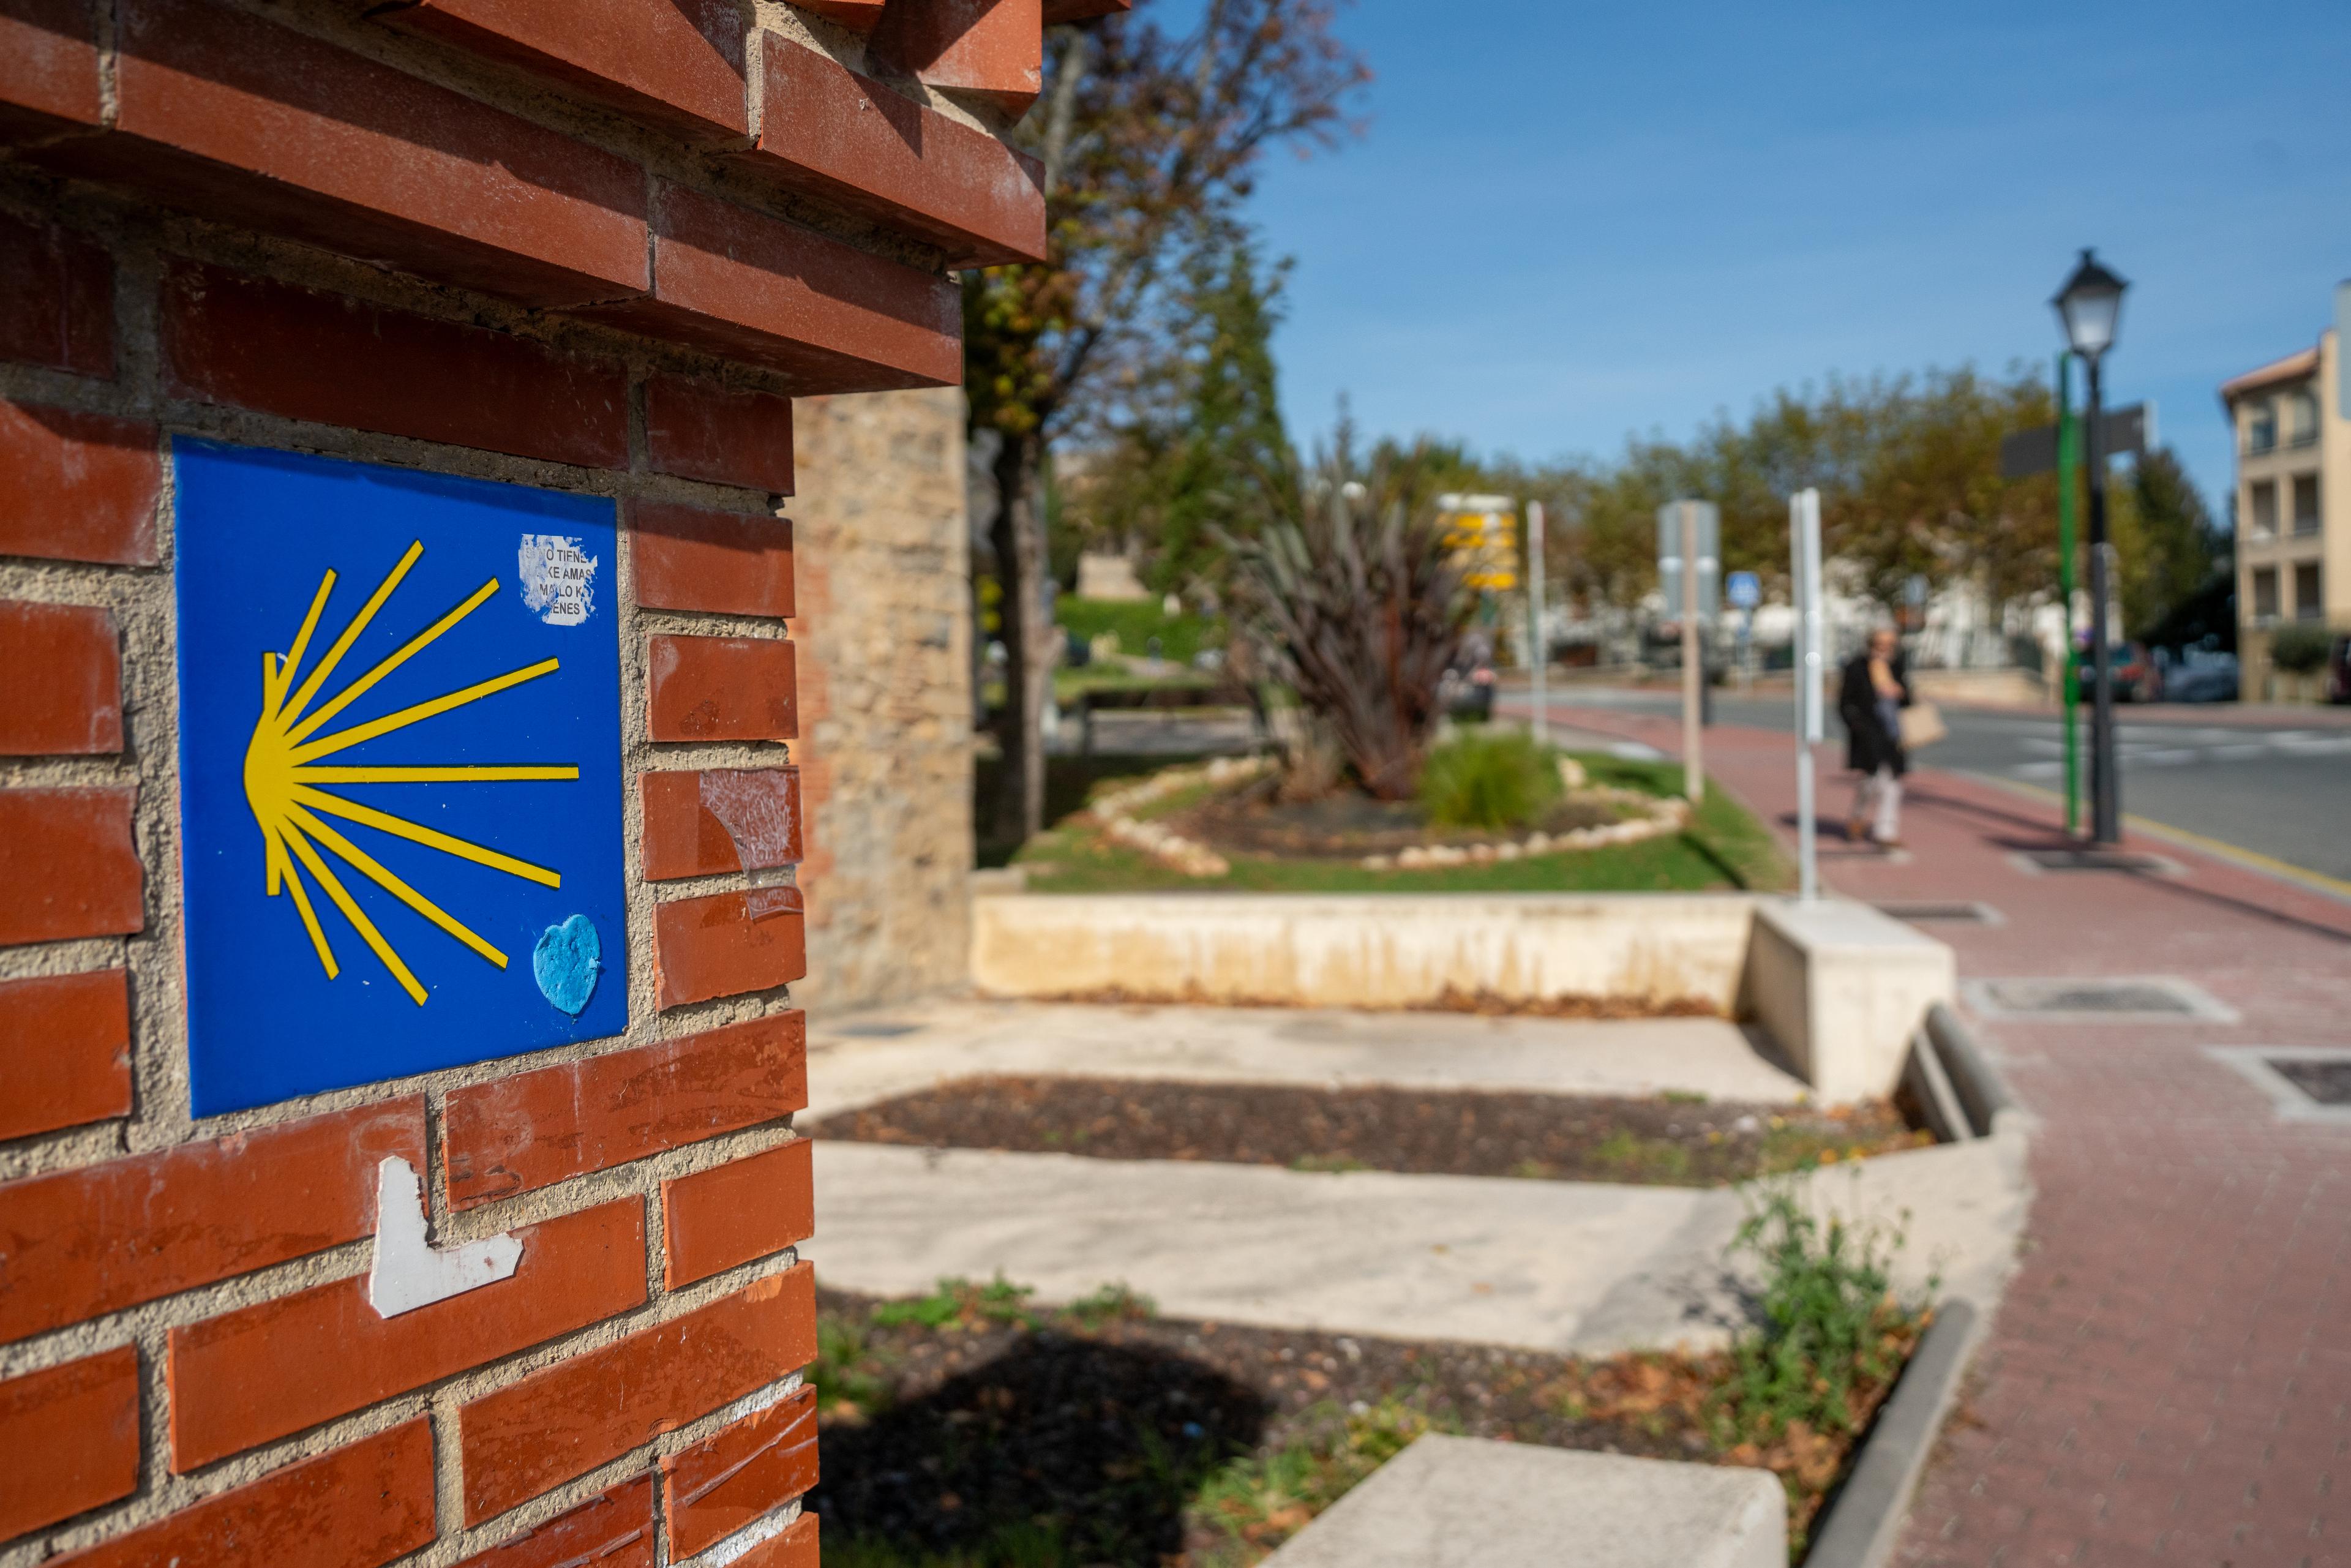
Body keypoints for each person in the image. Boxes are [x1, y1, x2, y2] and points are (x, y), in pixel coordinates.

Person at [1837, 627, 1911, 847]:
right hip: (1869, 733)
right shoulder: (1856, 667)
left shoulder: (1896, 667)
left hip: (1894, 733)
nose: (1885, 650)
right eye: (1881, 645)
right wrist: (1857, 726)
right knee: (1870, 781)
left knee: (1893, 783)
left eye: (1890, 645)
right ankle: (1857, 817)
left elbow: (1909, 701)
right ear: (1871, 645)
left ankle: (1885, 831)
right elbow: (1844, 704)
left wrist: (1901, 693)